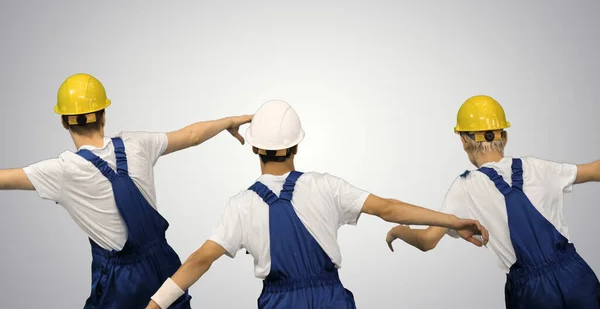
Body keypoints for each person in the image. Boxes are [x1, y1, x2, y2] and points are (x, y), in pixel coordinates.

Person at [145, 99, 489, 309]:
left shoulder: (241, 206)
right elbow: (387, 208)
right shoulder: (326, 187)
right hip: (332, 301)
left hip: (279, 302)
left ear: (253, 148)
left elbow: (199, 260)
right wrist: (451, 220)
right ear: (297, 146)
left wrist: (154, 305)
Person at [0, 73, 253, 309]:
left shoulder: (63, 171)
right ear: (103, 116)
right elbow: (192, 135)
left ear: (65, 122)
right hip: (165, 267)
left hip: (121, 284)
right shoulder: (137, 144)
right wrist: (228, 122)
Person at [385, 95, 600, 308]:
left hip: (532, 294)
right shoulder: (537, 167)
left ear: (463, 141)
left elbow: (428, 240)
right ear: (504, 137)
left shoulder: (465, 187)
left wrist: (400, 231)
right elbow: (595, 170)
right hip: (576, 277)